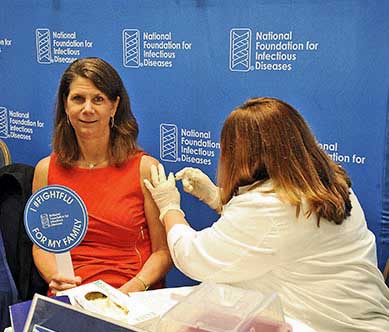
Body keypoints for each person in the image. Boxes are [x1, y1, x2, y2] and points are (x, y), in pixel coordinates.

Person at [144, 97, 389, 332]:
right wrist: (217, 197)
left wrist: (169, 208)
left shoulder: (269, 208)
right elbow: (275, 235)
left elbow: (194, 256)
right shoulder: (331, 186)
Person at [32, 57, 172, 295]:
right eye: (78, 99)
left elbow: (163, 252)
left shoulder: (145, 169)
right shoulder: (46, 170)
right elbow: (42, 245)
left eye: (98, 99)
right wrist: (54, 278)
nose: (87, 109)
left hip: (131, 295)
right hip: (72, 295)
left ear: (114, 106)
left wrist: (130, 291)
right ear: (65, 106)